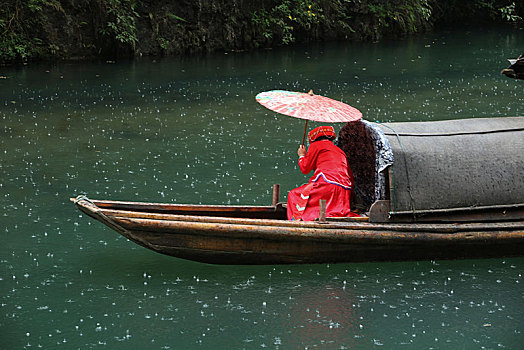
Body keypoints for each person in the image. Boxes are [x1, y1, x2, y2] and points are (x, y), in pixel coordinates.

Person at [287, 125, 357, 221]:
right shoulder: (340, 151)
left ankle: (296, 221)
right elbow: (350, 177)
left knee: (293, 194)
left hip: (327, 185)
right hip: (344, 190)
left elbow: (305, 168)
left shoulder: (316, 146)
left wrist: (302, 155)